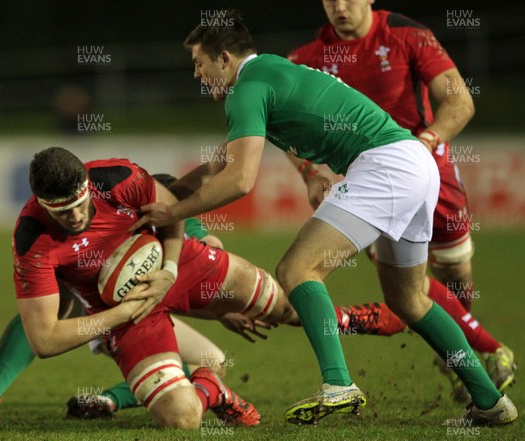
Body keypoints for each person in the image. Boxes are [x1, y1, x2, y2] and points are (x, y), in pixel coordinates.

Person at [130, 10, 517, 426]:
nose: (195, 73)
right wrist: (166, 192)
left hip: (386, 166)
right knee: (409, 300)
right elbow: (222, 164)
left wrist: (174, 212)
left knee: (296, 270)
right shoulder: (270, 72)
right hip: (414, 165)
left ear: (224, 58)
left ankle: (339, 384)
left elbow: (240, 181)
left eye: (198, 63)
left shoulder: (247, 88)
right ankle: (489, 401)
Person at [285, 0, 515, 401]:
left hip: (430, 166)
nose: (339, 6)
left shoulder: (407, 34)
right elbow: (287, 123)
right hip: (374, 181)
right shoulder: (307, 58)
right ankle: (488, 355)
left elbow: (460, 100)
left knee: (455, 268)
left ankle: (468, 357)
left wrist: (426, 140)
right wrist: (309, 171)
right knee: (410, 283)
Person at [9, 146, 321, 429]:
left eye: (80, 204)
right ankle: (207, 391)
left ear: (87, 186)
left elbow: (173, 207)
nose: (76, 217)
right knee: (182, 418)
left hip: (177, 269)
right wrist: (125, 312)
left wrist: (172, 273)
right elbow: (45, 340)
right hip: (121, 316)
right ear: (43, 204)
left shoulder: (117, 179)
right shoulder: (32, 241)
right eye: (63, 213)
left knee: (284, 312)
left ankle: (357, 335)